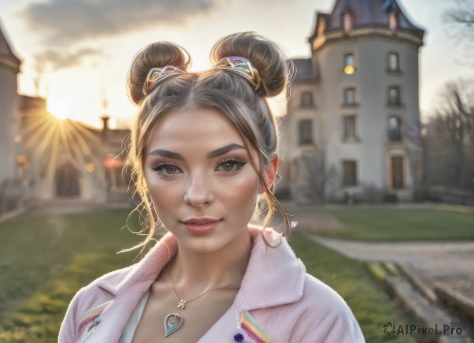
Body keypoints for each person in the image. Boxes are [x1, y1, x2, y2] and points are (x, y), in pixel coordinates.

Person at [59, 32, 365, 343]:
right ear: (143, 177)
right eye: (168, 168)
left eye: (228, 164)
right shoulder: (88, 308)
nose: (198, 195)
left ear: (267, 174)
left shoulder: (318, 320)